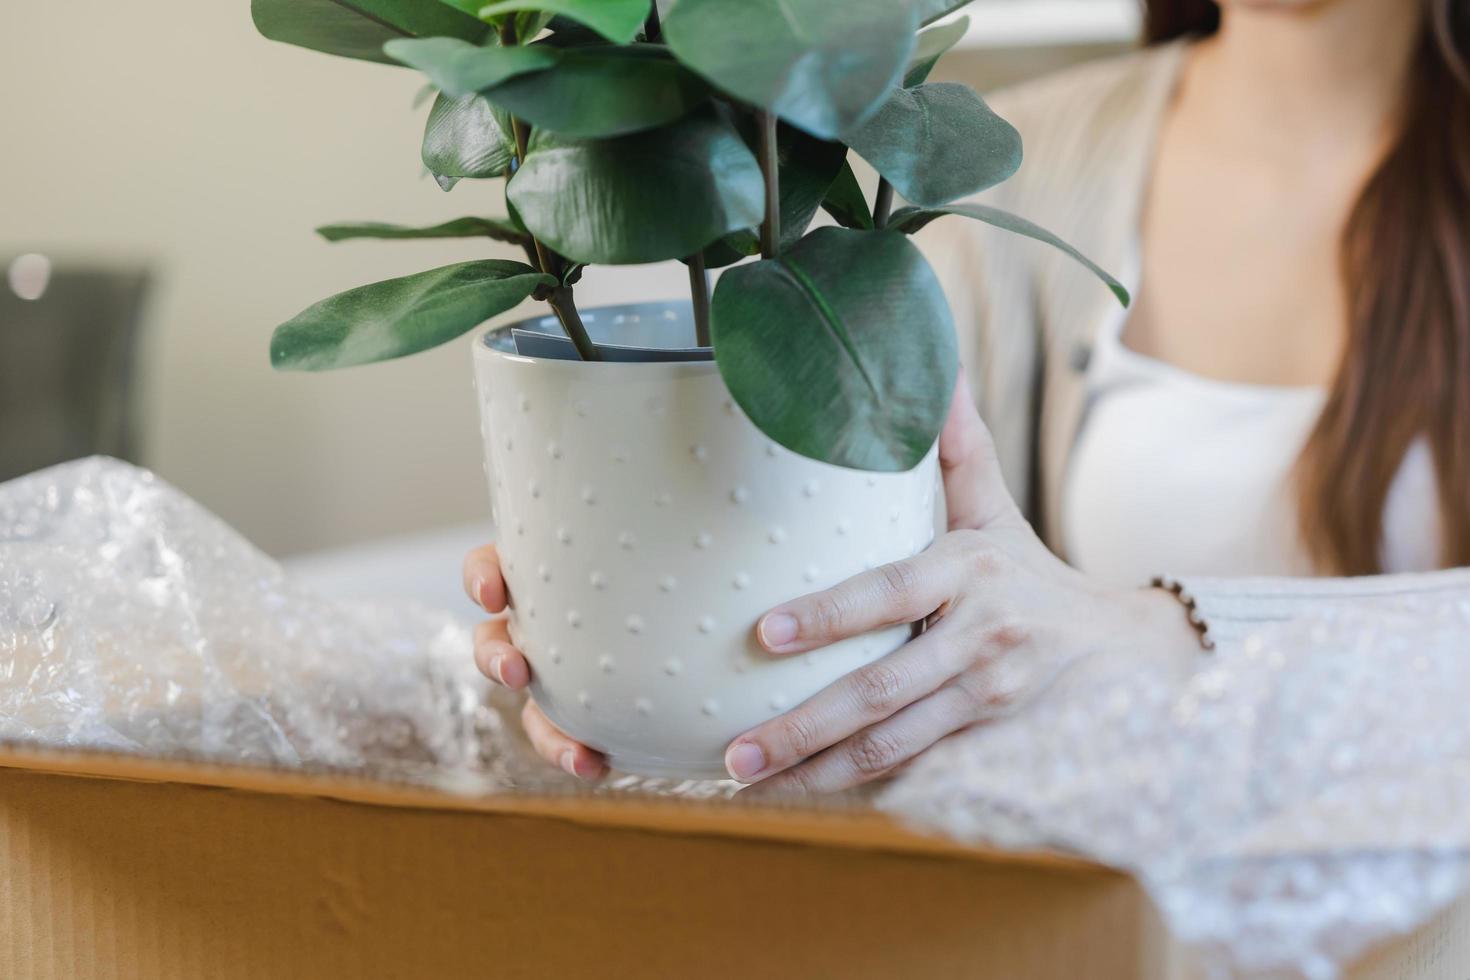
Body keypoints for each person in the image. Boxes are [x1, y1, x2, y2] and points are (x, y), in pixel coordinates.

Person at [462, 0, 1470, 794]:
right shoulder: (1011, 163)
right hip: (1096, 917)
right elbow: (892, 579)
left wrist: (1171, 636)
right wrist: (620, 632)